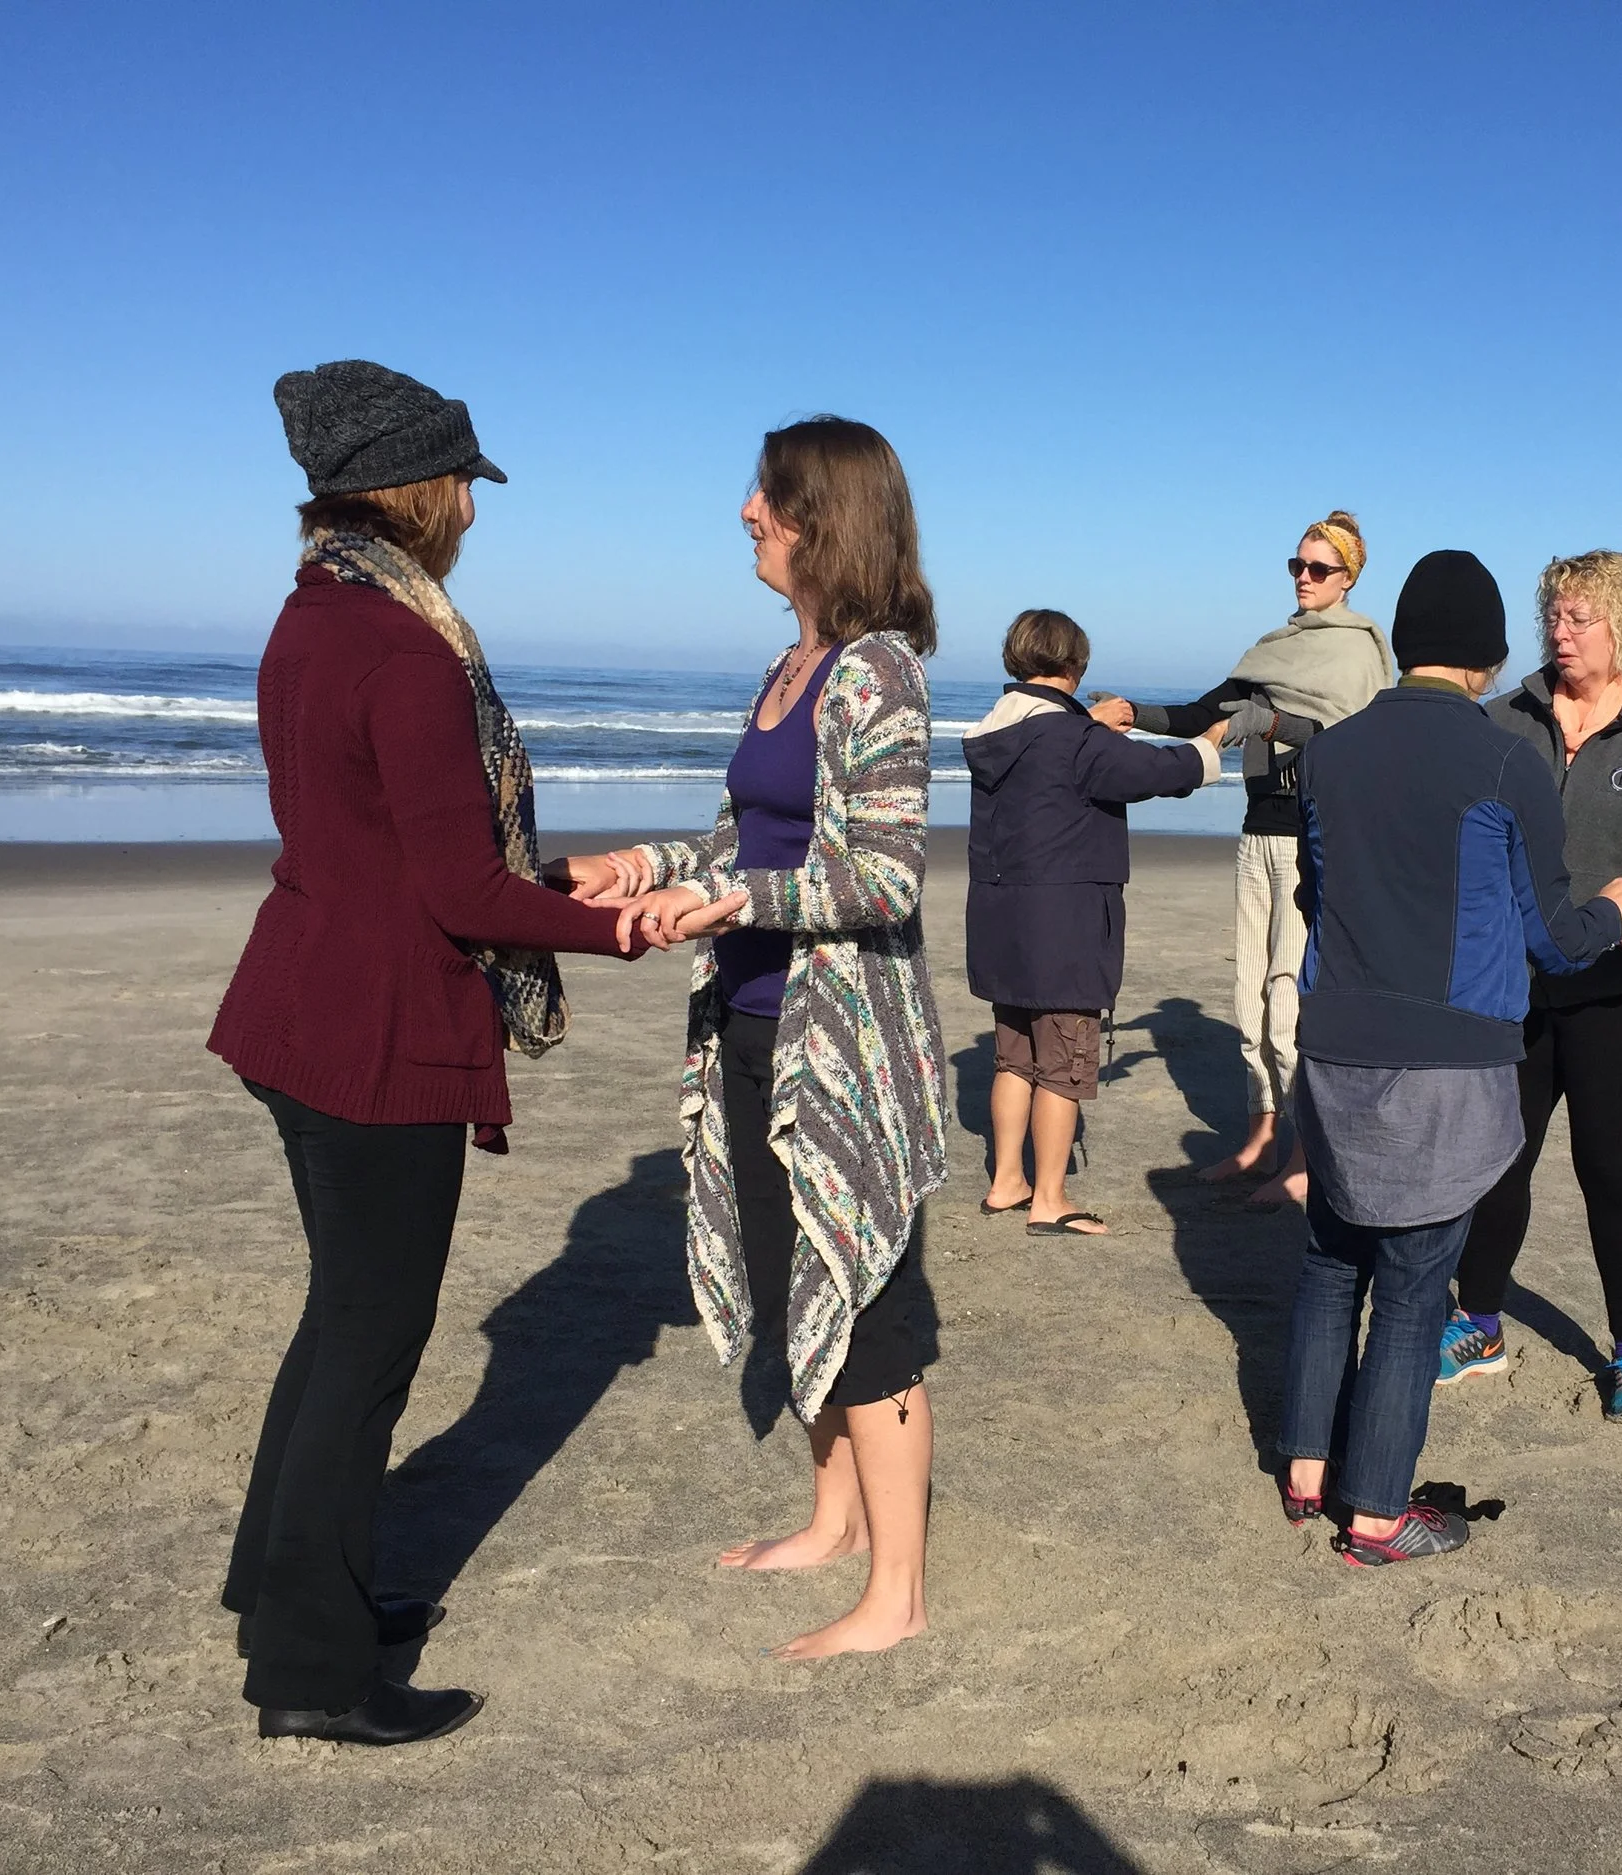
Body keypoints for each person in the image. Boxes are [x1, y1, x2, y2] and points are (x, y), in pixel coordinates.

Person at [207, 360, 649, 1745]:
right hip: (373, 1028)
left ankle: (281, 1592)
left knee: (340, 1318)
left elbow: (419, 849)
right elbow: (462, 894)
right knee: (369, 1339)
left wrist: (559, 881)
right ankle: (314, 1672)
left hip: (299, 1001)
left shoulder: (315, 612)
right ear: (419, 490)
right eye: (465, 482)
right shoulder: (404, 645)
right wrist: (621, 928)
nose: (474, 507)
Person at [560, 417, 947, 1659]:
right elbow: (744, 842)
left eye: (768, 497)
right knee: (797, 1287)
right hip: (749, 1024)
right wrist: (638, 864)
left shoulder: (878, 670)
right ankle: (833, 1520)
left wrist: (732, 903)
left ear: (823, 517)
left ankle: (898, 1595)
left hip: (843, 1048)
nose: (745, 514)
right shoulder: (788, 670)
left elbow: (884, 877)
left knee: (866, 1301)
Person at [1274, 551, 1622, 1565]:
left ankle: (1306, 1471)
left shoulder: (1331, 753)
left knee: (1328, 1256)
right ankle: (1378, 1514)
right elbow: (1549, 933)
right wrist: (1616, 913)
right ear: (1487, 656)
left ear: (1405, 642)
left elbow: (1317, 893)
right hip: (1443, 1057)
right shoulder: (1501, 760)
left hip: (1335, 1044)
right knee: (1408, 1286)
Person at [1439, 550, 1622, 1426]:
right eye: (1554, 619)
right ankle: (1480, 1322)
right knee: (1498, 1162)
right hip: (1516, 988)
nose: (1561, 635)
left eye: (1580, 620)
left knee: (1614, 1172)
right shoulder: (1503, 721)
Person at [1089, 512, 1390, 1207]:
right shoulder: (1274, 648)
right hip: (1256, 833)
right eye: (1297, 565)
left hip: (1310, 841)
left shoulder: (1356, 654)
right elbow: (1203, 713)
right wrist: (1129, 709)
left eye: (1319, 569)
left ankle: (1303, 1157)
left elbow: (1348, 742)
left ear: (1347, 578)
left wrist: (1267, 723)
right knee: (1248, 995)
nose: (1305, 578)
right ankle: (1259, 1138)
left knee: (1289, 1002)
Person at [963, 608, 1220, 1236]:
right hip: (1065, 926)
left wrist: (1088, 723)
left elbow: (1057, 738)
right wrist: (1208, 748)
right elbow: (1156, 773)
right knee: (1063, 1064)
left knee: (1014, 1057)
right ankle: (1050, 1197)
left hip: (1002, 922)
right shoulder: (1076, 740)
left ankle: (1006, 1181)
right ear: (1075, 668)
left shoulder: (997, 732)